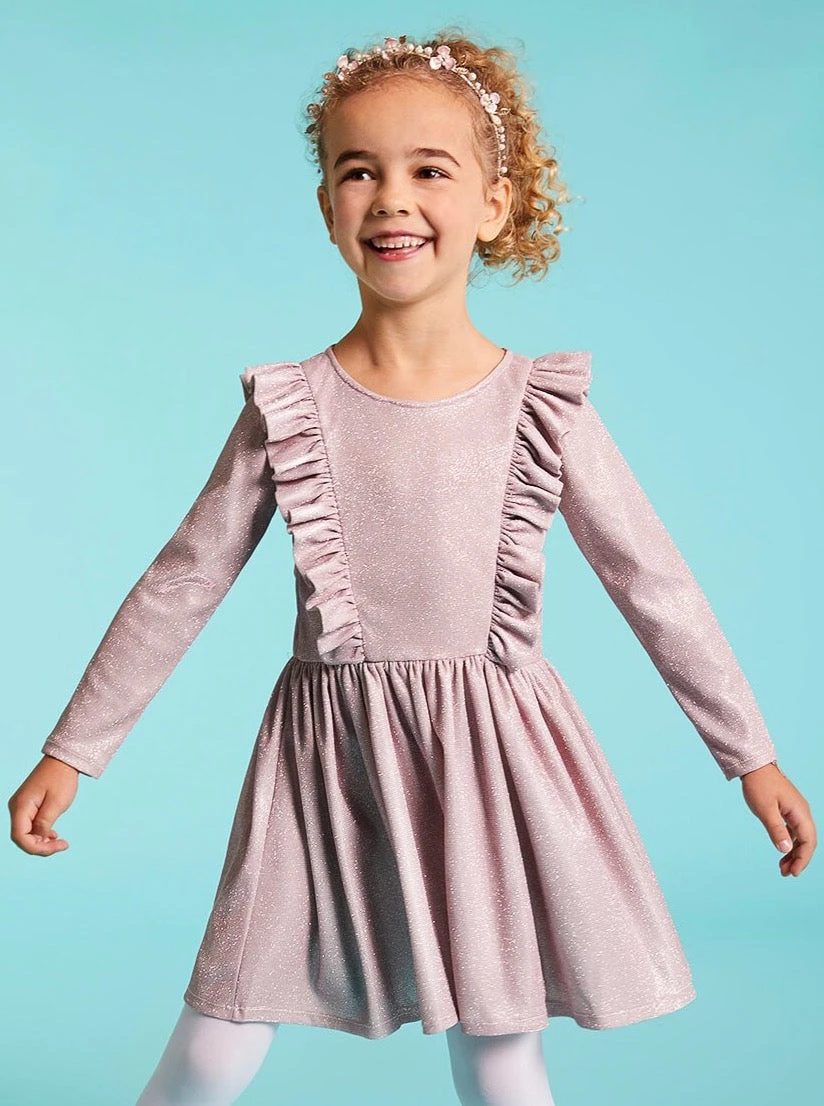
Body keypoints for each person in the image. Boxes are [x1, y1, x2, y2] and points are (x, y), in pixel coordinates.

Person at [8, 26, 816, 1106]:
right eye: (359, 171)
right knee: (215, 1041)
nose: (392, 198)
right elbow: (183, 581)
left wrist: (748, 754)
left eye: (429, 170)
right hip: (323, 770)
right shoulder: (289, 408)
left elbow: (653, 584)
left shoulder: (542, 408)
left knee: (500, 1054)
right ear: (326, 209)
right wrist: (75, 748)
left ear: (494, 203)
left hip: (490, 767)